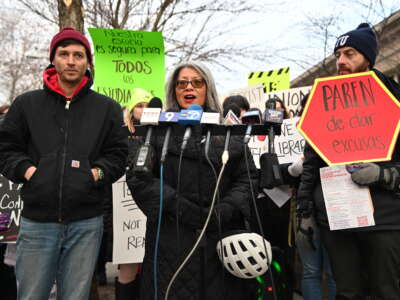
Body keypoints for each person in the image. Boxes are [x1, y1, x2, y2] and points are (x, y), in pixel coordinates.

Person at [0, 27, 127, 300]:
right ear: (53, 59)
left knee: (75, 296)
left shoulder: (107, 108)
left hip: (87, 223)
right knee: (31, 295)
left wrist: (94, 174)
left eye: (79, 55)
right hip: (37, 222)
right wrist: (30, 171)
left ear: (87, 62)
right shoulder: (26, 105)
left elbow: (118, 154)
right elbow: (6, 148)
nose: (71, 60)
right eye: (64, 54)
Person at [127, 61, 258, 300]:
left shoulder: (228, 132)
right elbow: (139, 180)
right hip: (170, 240)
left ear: (207, 88)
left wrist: (224, 210)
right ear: (174, 90)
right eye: (182, 83)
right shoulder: (155, 131)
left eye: (197, 82)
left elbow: (247, 179)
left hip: (219, 238)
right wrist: (176, 205)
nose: (190, 87)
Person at [296, 23, 400, 299]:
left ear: (368, 57)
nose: (341, 61)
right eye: (338, 55)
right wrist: (305, 211)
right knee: (347, 292)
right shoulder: (321, 99)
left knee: (386, 292)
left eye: (350, 53)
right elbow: (311, 161)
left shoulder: (394, 96)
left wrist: (383, 174)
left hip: (385, 219)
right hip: (337, 214)